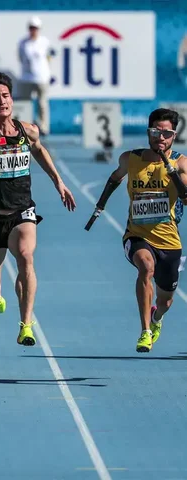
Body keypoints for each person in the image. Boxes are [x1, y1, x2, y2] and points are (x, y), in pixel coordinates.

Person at [0, 72, 76, 346]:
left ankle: (26, 324)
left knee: (26, 257)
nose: (1, 101)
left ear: (12, 99)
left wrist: (58, 182)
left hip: (22, 213)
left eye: (5, 96)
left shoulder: (28, 130)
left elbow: (38, 150)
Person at [88, 108, 187, 353]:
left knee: (165, 301)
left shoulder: (181, 163)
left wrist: (171, 171)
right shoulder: (130, 159)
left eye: (166, 133)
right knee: (145, 268)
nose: (160, 138)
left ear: (174, 136)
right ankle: (144, 332)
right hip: (137, 235)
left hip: (169, 241)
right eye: (155, 132)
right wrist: (100, 205)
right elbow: (114, 178)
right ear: (148, 133)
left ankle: (156, 318)